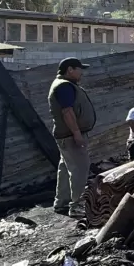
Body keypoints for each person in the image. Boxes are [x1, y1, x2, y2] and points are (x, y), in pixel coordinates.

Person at [48, 58, 96, 217]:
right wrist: (76, 133)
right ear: (70, 70)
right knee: (80, 168)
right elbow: (67, 112)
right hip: (70, 136)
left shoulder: (64, 85)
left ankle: (61, 202)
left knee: (65, 168)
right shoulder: (64, 86)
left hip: (65, 135)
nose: (82, 72)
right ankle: (77, 206)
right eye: (79, 69)